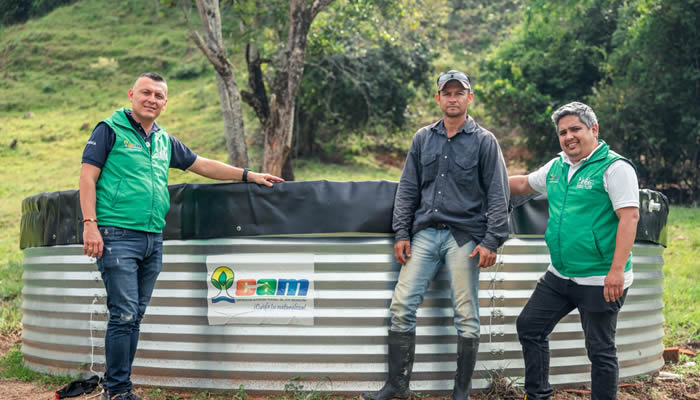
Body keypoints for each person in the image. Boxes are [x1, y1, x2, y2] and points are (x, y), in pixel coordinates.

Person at [79, 72, 283, 400]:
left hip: (152, 237)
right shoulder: (109, 130)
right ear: (132, 94)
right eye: (146, 92)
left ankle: (118, 388)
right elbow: (87, 178)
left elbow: (202, 164)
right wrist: (90, 223)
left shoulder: (164, 140)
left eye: (159, 96)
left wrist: (248, 175)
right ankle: (117, 391)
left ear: (165, 103)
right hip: (116, 234)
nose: (152, 99)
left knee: (134, 316)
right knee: (124, 313)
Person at [361, 71, 510, 400]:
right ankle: (398, 385)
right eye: (447, 93)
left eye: (459, 93)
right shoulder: (422, 138)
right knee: (401, 306)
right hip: (425, 234)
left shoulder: (485, 141)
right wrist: (401, 232)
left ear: (470, 98)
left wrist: (491, 241)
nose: (453, 98)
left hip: (464, 238)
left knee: (466, 315)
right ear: (438, 98)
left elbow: (499, 194)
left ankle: (461, 393)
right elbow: (408, 189)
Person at [509, 102, 640, 400]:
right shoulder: (558, 166)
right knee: (530, 326)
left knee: (600, 351)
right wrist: (484, 183)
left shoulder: (615, 168)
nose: (569, 137)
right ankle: (538, 395)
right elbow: (524, 184)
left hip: (600, 278)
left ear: (594, 129)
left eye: (575, 129)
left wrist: (616, 271)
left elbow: (630, 217)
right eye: (562, 132)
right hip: (560, 274)